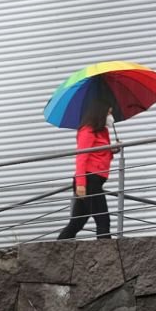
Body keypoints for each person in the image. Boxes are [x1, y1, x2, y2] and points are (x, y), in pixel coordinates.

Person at [58, 99, 118, 240]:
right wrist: (81, 183)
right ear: (100, 112)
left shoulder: (102, 131)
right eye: (109, 112)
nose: (111, 115)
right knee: (103, 220)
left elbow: (99, 155)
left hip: (95, 181)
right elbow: (81, 157)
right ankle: (107, 253)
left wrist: (113, 149)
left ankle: (56, 249)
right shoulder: (88, 130)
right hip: (88, 180)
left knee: (76, 223)